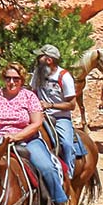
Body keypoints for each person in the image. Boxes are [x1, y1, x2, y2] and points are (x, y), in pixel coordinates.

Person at [0, 62, 70, 205]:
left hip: (27, 140)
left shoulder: (29, 97)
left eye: (16, 79)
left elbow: (36, 123)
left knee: (47, 167)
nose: (11, 82)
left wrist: (15, 136)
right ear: (3, 79)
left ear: (22, 79)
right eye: (8, 78)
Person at [30, 45, 82, 183]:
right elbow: (33, 91)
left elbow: (71, 104)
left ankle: (68, 177)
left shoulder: (64, 77)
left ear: (49, 60)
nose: (37, 59)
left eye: (40, 56)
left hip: (59, 117)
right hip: (38, 114)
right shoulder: (38, 72)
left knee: (66, 144)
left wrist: (51, 105)